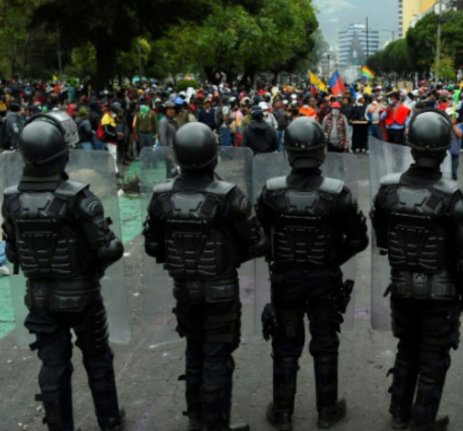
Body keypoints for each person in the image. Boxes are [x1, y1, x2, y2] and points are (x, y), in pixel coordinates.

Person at [1, 112, 126, 430]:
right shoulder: (78, 198)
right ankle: (109, 420)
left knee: (53, 367)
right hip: (82, 295)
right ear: (61, 153)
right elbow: (108, 248)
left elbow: (13, 251)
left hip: (40, 297)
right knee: (97, 357)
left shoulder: (12, 200)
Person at [143, 122, 266, 431]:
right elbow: (256, 242)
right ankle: (215, 424)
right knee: (216, 355)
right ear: (214, 156)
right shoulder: (229, 196)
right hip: (221, 287)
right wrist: (230, 258)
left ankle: (196, 419)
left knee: (194, 349)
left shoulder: (161, 196)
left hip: (183, 287)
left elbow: (153, 246)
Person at [371, 110, 463, 431]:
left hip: (402, 286)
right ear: (445, 147)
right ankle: (422, 422)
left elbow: (381, 235)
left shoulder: (388, 190)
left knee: (407, 348)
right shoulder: (453, 197)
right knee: (434, 358)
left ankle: (399, 414)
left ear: (411, 145)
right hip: (441, 293)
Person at [256, 117, 369, 431]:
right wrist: (331, 259)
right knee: (325, 343)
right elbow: (360, 239)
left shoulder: (271, 193)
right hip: (323, 280)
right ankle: (327, 411)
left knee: (285, 345)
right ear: (322, 151)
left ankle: (282, 413)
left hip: (285, 280)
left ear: (288, 151)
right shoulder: (338, 194)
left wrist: (277, 257)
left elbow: (257, 237)